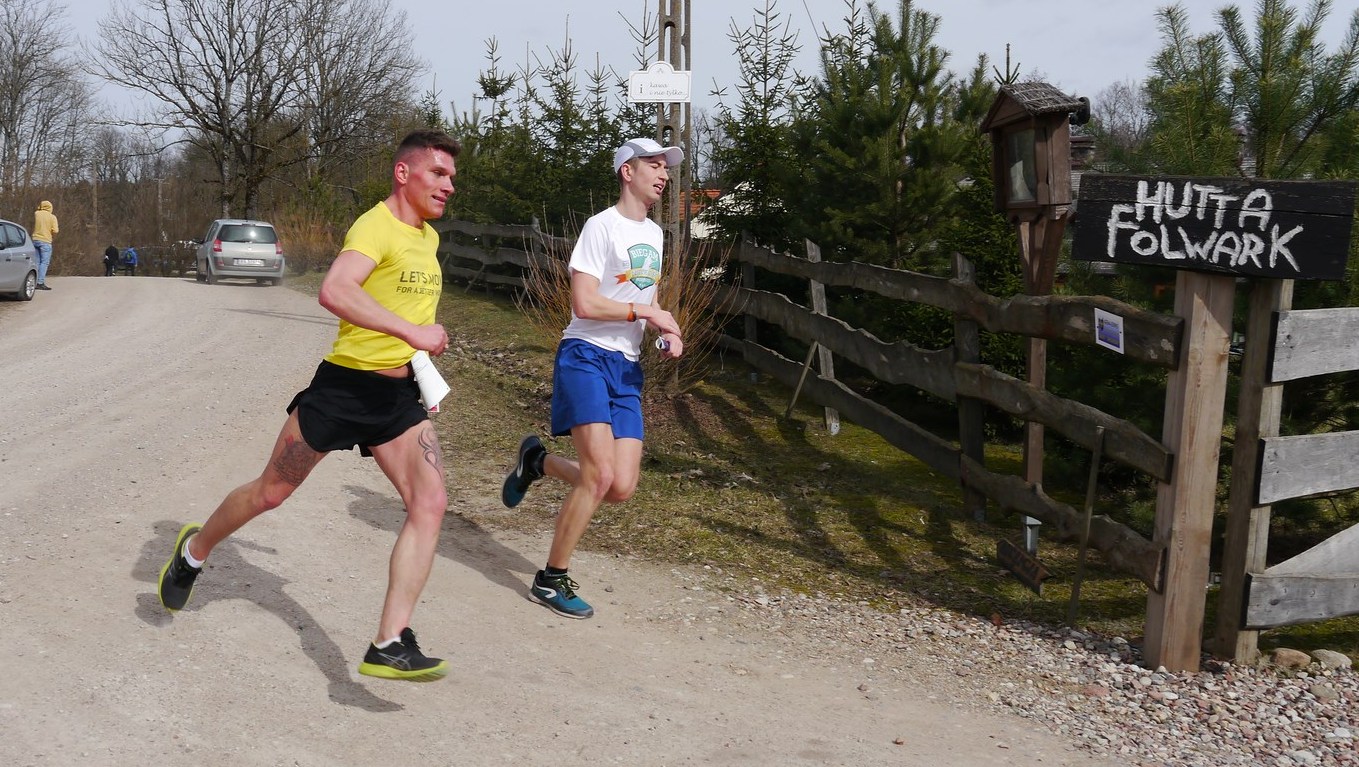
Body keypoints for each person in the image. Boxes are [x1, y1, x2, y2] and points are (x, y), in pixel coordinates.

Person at [158, 129, 461, 682]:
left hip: (395, 399)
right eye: (438, 174)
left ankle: (389, 642)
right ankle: (194, 551)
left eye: (451, 179)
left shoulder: (427, 239)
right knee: (269, 493)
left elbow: (400, 312)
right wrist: (413, 331)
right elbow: (335, 291)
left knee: (431, 501)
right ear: (403, 173)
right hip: (343, 391)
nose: (448, 187)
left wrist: (420, 371)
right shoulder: (376, 226)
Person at [500, 137, 685, 620]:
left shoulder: (657, 236)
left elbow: (643, 301)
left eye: (666, 167)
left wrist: (662, 330)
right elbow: (584, 303)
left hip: (626, 366)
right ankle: (550, 579)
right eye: (653, 164)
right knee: (599, 474)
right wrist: (645, 311)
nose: (663, 174)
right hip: (584, 355)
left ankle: (537, 462)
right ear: (628, 171)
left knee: (620, 485)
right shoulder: (600, 227)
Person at [32, 200, 58, 290]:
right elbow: (55, 230)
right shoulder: (52, 217)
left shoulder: (37, 214)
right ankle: (40, 282)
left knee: (37, 262)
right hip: (45, 241)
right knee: (44, 262)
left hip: (35, 240)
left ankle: (34, 282)